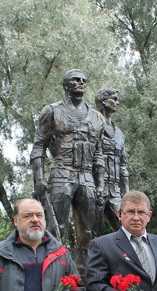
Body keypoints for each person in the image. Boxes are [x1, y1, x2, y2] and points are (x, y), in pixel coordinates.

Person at [31, 69, 106, 274]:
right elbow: (39, 146)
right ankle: (51, 275)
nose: (80, 83)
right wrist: (38, 179)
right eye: (75, 80)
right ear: (66, 85)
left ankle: (84, 277)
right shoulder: (52, 111)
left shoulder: (97, 118)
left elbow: (99, 153)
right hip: (61, 172)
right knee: (56, 229)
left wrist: (100, 184)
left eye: (83, 80)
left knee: (88, 233)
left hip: (86, 176)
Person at [95, 87, 129, 231]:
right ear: (103, 101)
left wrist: (127, 194)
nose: (117, 102)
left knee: (126, 228)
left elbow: (123, 165)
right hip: (95, 189)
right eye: (114, 99)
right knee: (90, 232)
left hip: (115, 190)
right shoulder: (92, 127)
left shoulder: (119, 134)